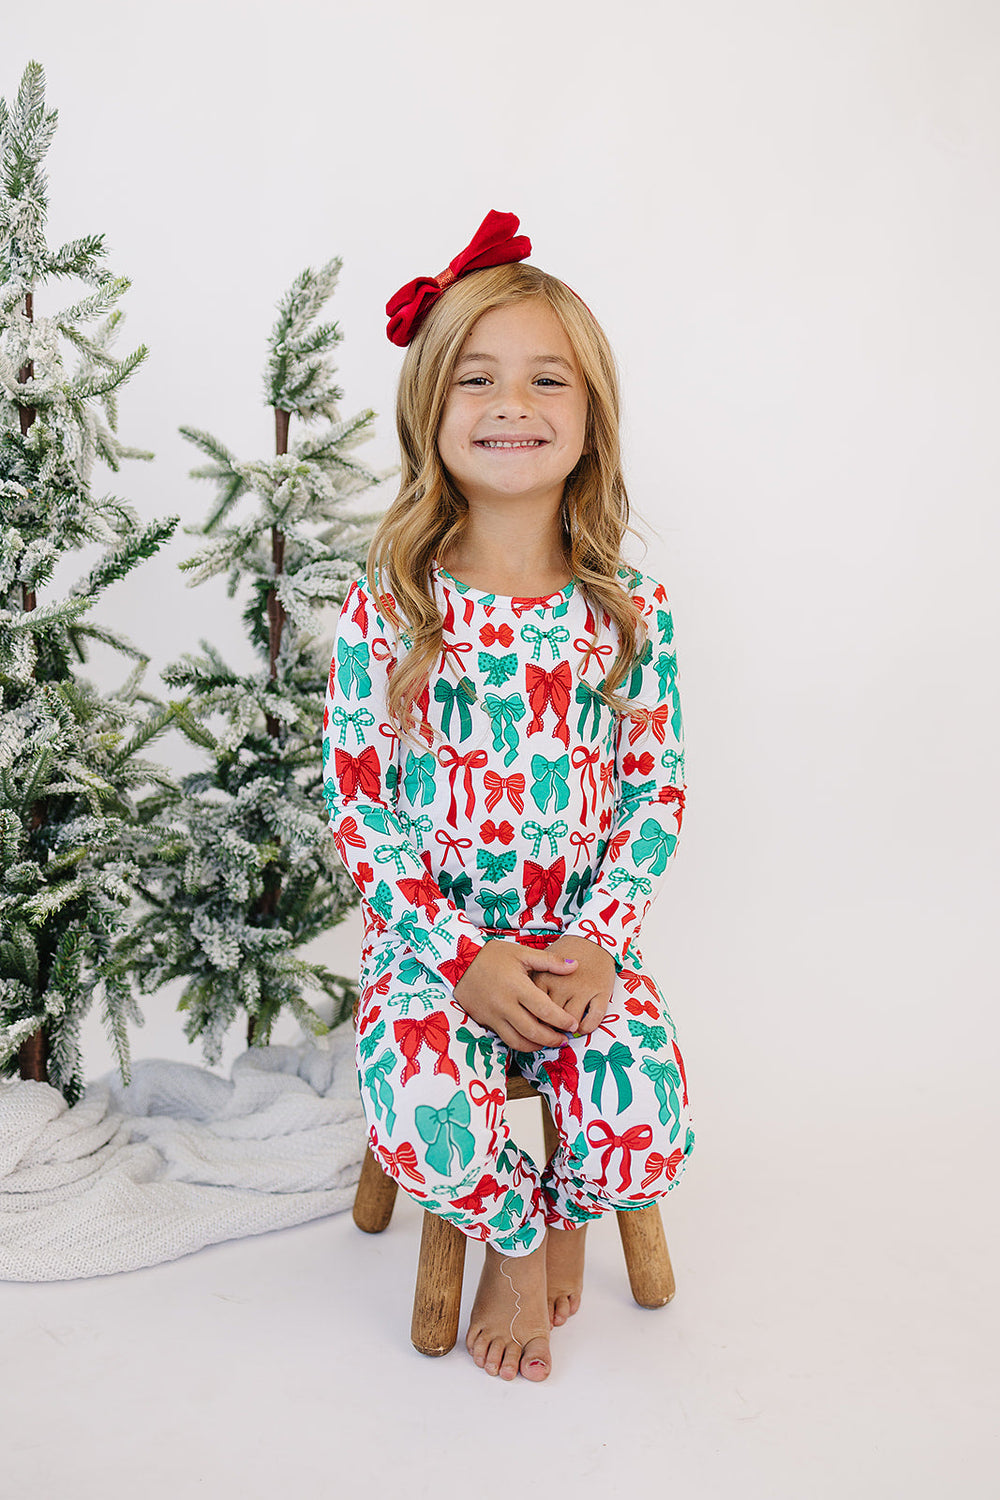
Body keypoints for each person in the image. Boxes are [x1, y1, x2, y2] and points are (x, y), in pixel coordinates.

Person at [322, 210, 694, 1383]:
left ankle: (575, 1202)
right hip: (433, 948)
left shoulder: (627, 609)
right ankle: (516, 1237)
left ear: (589, 419)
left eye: (546, 379)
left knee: (645, 1109)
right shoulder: (392, 606)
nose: (511, 405)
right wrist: (453, 955)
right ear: (430, 411)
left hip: (577, 943)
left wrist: (600, 943)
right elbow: (362, 808)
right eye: (476, 378)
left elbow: (654, 791)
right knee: (428, 1101)